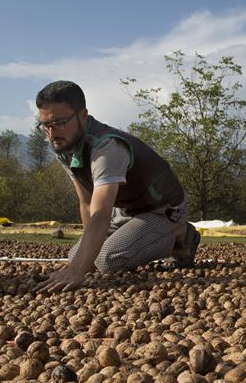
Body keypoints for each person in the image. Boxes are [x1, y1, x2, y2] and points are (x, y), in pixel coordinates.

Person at [33, 80, 200, 292]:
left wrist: (77, 271)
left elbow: (101, 213)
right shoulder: (65, 147)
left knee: (108, 260)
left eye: (59, 123)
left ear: (83, 116)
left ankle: (181, 234)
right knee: (77, 256)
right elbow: (86, 203)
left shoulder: (107, 148)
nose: (52, 133)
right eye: (45, 125)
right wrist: (83, 263)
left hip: (162, 209)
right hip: (126, 211)